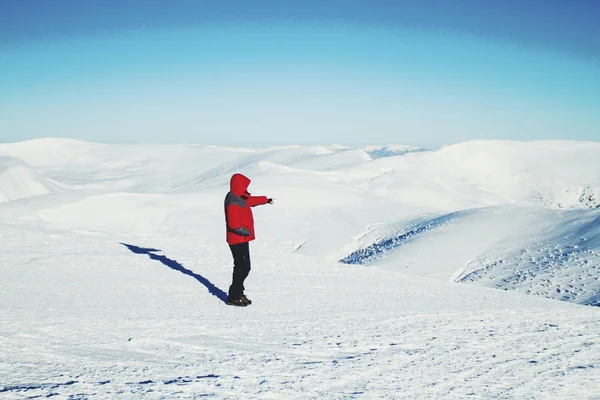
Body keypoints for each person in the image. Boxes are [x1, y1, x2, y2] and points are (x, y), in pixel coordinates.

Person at [224, 173, 274, 306]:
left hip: (242, 238)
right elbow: (233, 224)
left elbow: (251, 200)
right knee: (243, 267)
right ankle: (234, 296)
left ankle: (238, 293)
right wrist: (246, 232)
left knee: (243, 267)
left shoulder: (239, 196)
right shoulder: (233, 201)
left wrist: (266, 200)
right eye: (245, 185)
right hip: (237, 239)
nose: (246, 188)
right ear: (239, 185)